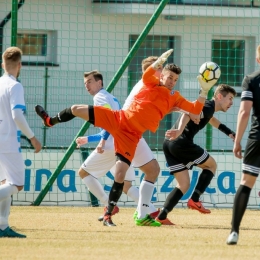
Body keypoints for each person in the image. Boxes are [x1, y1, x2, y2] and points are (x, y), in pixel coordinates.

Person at [34, 49, 215, 227]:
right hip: (118, 120)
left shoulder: (174, 97)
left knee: (123, 174)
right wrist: (158, 62)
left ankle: (113, 214)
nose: (172, 82)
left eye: (175, 80)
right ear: (161, 75)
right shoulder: (150, 82)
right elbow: (148, 75)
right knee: (75, 109)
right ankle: (51, 121)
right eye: (169, 77)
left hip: (132, 136)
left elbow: (195, 109)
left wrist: (204, 91)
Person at [75, 70, 157, 223]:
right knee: (126, 185)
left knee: (83, 173)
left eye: (90, 82)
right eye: (85, 83)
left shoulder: (99, 97)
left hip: (112, 144)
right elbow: (113, 123)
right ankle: (151, 210)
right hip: (124, 142)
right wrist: (89, 138)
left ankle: (108, 205)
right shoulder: (110, 97)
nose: (87, 86)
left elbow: (109, 123)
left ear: (100, 82)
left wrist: (102, 141)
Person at [155, 84, 236, 225]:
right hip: (181, 142)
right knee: (211, 165)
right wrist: (180, 130)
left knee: (183, 184)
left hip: (168, 143)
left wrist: (229, 132)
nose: (232, 103)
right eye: (230, 98)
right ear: (219, 96)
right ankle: (195, 199)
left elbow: (211, 120)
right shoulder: (208, 106)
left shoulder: (209, 108)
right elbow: (187, 112)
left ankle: (162, 216)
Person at [0, 47, 42, 238]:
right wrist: (32, 137)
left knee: (4, 183)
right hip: (8, 143)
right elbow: (17, 115)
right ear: (20, 65)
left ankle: (2, 226)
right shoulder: (15, 86)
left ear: (3, 64)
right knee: (17, 184)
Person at [226, 45, 260, 245]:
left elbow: (244, 112)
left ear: (257, 60)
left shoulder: (252, 79)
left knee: (246, 183)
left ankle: (234, 232)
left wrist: (237, 140)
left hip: (257, 138)